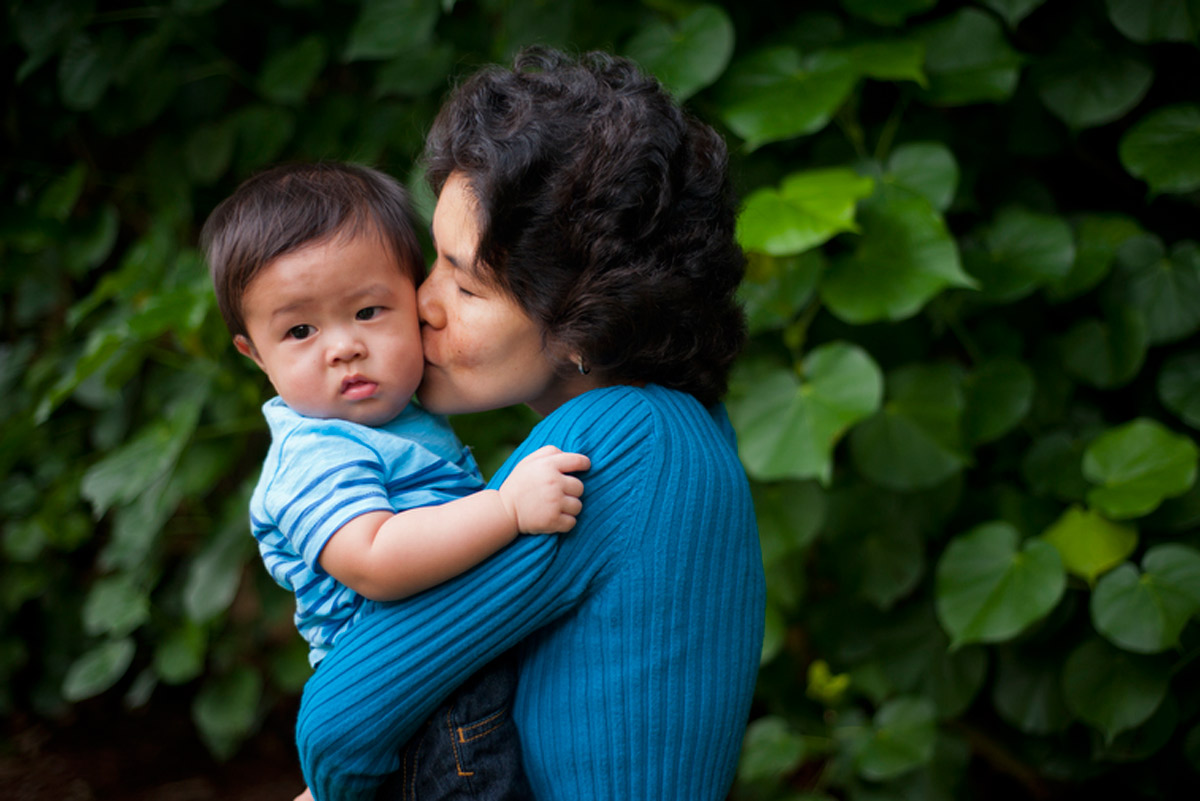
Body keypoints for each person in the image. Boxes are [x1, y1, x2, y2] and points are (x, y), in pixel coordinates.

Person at [296, 48, 766, 801]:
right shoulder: (689, 429)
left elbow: (340, 722)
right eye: (434, 263)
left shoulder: (621, 443)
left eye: (468, 283)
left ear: (586, 321)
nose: (422, 302)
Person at [200, 162, 590, 800]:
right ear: (254, 355)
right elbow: (376, 559)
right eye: (300, 331)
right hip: (421, 704)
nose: (343, 347)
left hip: (447, 672)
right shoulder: (315, 452)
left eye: (368, 310)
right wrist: (507, 509)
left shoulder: (400, 419)